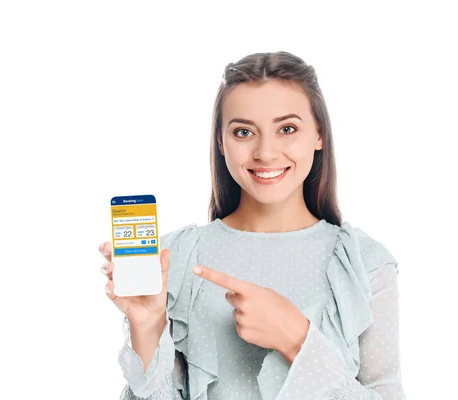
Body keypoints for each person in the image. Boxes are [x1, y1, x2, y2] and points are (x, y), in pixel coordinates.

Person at [99, 51, 406, 400]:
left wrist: (297, 340)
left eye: (287, 129)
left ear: (319, 134)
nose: (266, 152)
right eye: (244, 132)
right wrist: (147, 325)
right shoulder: (177, 258)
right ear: (221, 142)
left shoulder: (364, 263)